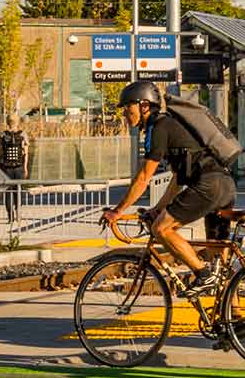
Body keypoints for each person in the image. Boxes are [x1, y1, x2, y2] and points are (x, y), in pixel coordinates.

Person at [101, 82, 236, 298]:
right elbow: (177, 180)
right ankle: (236, 320)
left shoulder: (158, 127)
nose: (125, 114)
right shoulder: (170, 126)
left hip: (208, 185)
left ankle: (202, 273)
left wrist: (118, 211)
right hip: (224, 184)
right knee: (218, 256)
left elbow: (145, 176)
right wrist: (157, 209)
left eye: (128, 108)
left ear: (144, 105)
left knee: (161, 229)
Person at [0, 114, 29, 224]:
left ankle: (10, 216)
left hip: (6, 168)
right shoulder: (23, 134)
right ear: (18, 122)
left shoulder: (2, 135)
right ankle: (18, 214)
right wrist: (25, 167)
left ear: (7, 122)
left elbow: (0, 152)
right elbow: (26, 153)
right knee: (18, 191)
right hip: (19, 167)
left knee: (8, 192)